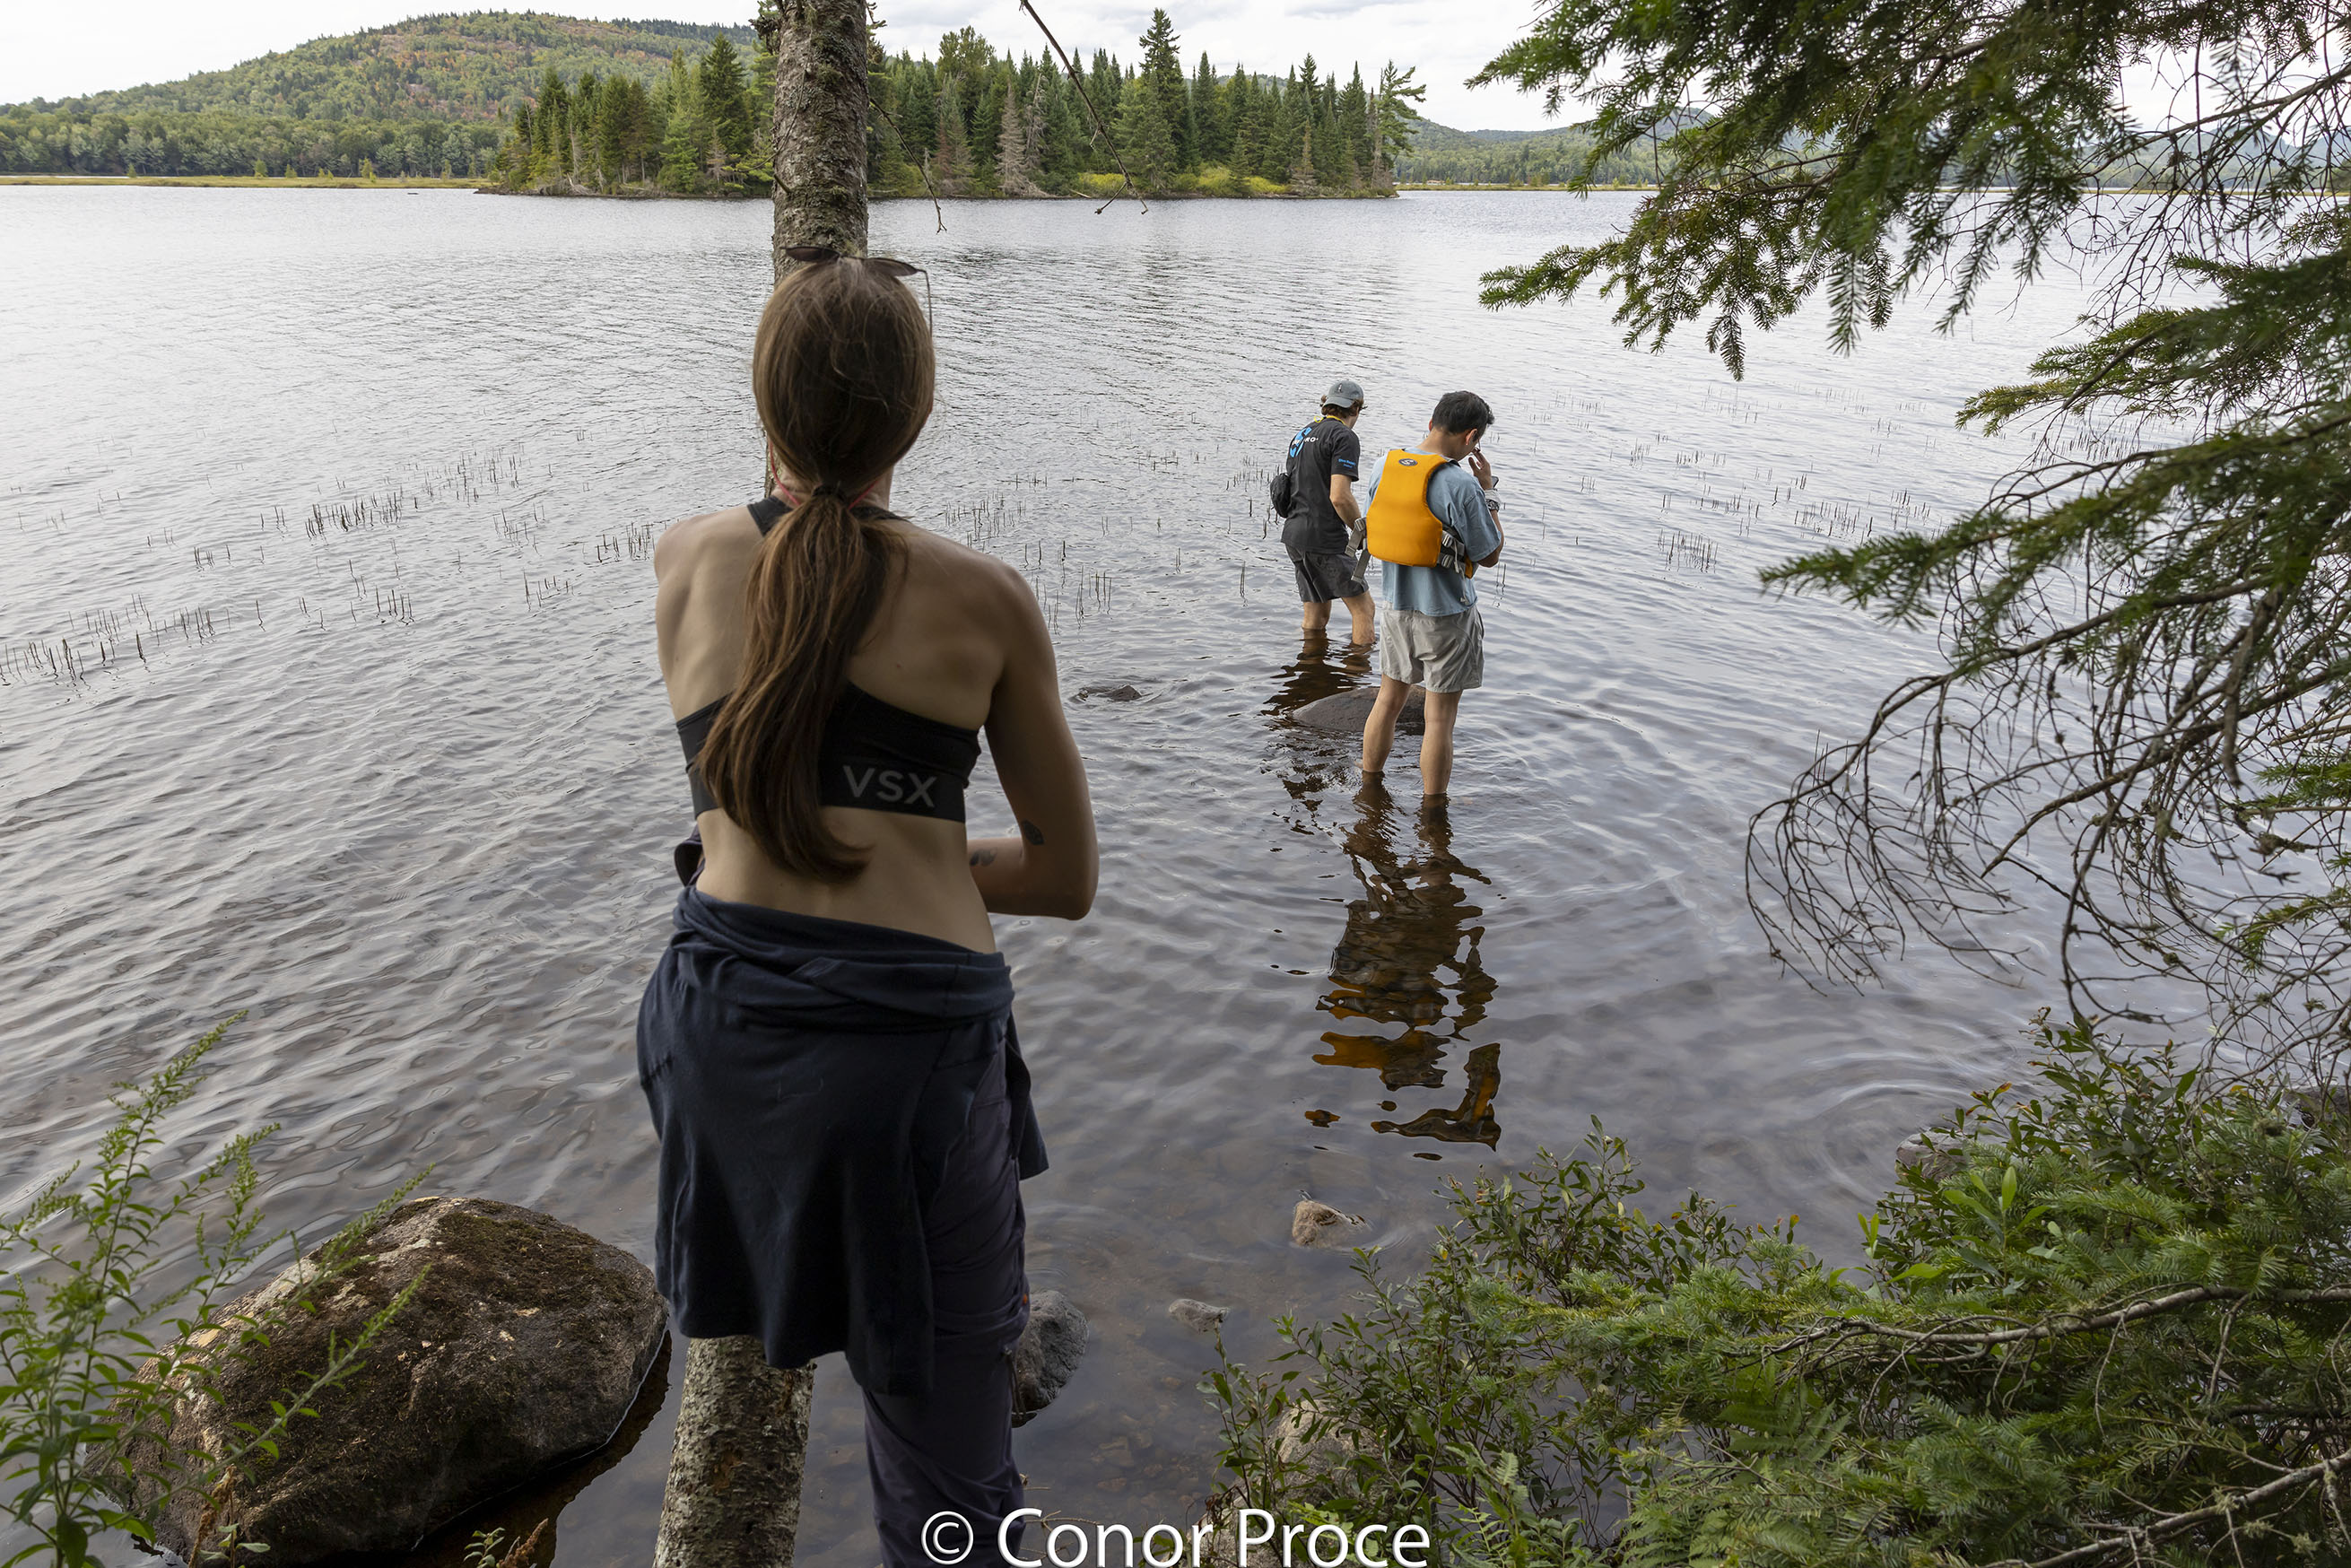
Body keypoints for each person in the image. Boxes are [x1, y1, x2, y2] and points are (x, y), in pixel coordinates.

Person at [639, 250, 1098, 1568]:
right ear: (917, 415)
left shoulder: (683, 558)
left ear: (763, 404)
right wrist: (919, 858)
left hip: (719, 1028)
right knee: (948, 1473)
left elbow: (755, 796)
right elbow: (1062, 877)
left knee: (778, 1327)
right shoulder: (984, 596)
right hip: (904, 1057)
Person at [1358, 391, 1504, 802]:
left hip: (1396, 607)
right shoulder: (1461, 484)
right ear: (1471, 436)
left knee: (1387, 702)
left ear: (1431, 422)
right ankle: (1433, 812)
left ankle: (1368, 788)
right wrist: (1489, 491)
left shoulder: (1383, 466)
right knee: (1439, 720)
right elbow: (1490, 554)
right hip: (1447, 616)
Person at [1281, 379, 1375, 645]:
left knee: (1316, 614)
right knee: (1364, 608)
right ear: (1355, 408)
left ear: (1327, 404)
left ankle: (1310, 666)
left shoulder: (1302, 434)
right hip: (1324, 538)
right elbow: (1340, 497)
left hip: (1295, 536)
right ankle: (1359, 668)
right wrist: (1362, 531)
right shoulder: (1344, 436)